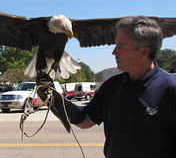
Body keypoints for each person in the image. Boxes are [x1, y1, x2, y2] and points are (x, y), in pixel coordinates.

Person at [37, 16, 176, 158]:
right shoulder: (111, 86)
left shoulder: (171, 89)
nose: (114, 52)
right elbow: (85, 120)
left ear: (143, 52)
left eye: (120, 47)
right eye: (115, 45)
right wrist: (54, 100)